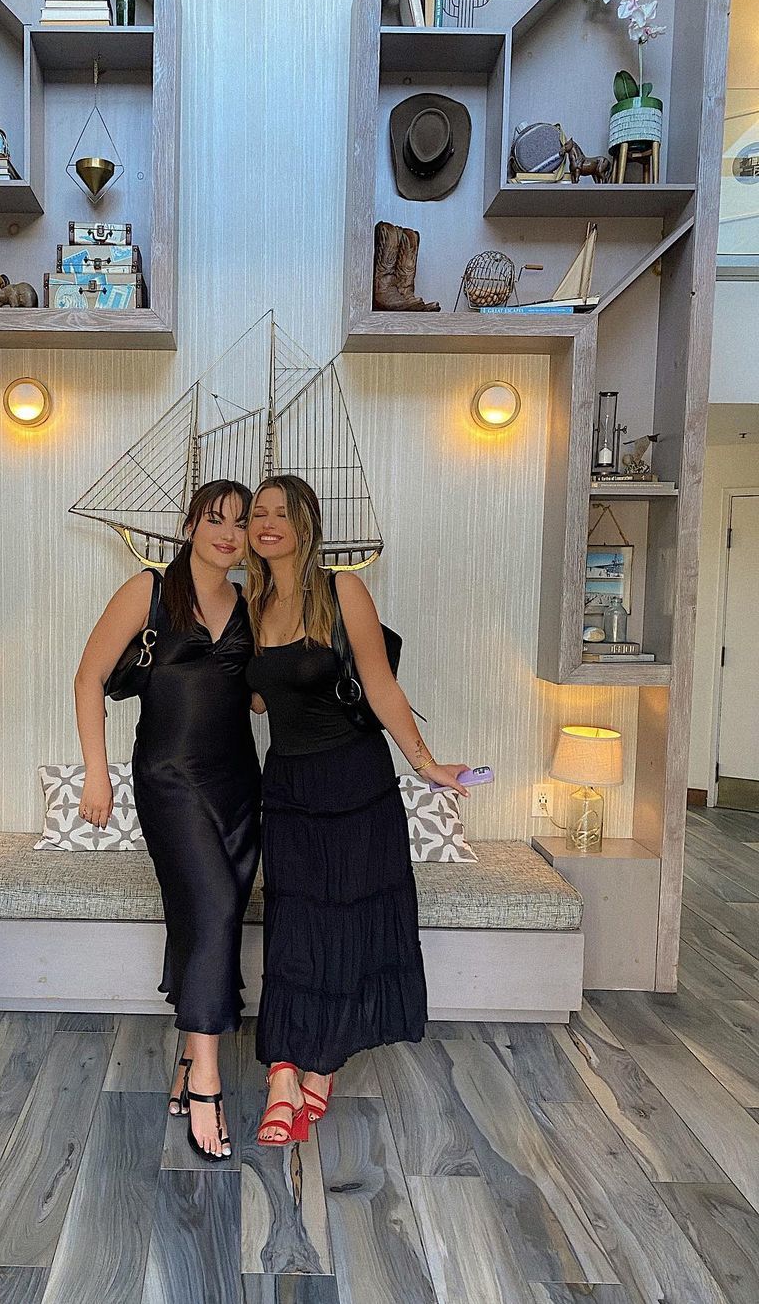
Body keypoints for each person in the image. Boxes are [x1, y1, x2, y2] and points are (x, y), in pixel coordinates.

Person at [244, 475, 470, 1145]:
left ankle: (319, 1063)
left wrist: (426, 764)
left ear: (306, 524)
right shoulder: (252, 605)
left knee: (344, 925)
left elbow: (382, 688)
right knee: (293, 926)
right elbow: (258, 700)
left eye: (282, 512)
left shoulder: (343, 591)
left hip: (354, 783)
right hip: (288, 786)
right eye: (257, 513)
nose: (267, 522)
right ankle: (284, 1070)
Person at [74, 480, 260, 1161]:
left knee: (208, 914)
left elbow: (259, 702)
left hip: (239, 784)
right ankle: (208, 1080)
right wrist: (97, 772)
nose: (228, 534)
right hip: (169, 779)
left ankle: (187, 1055)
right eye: (215, 519)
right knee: (212, 906)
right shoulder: (149, 590)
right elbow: (88, 677)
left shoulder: (251, 603)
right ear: (189, 525)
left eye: (240, 523)